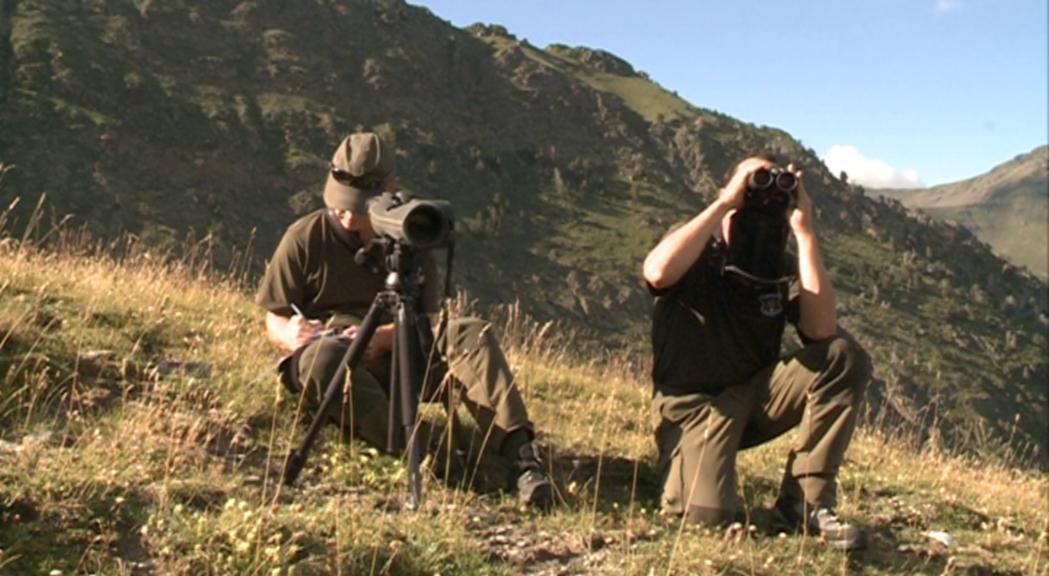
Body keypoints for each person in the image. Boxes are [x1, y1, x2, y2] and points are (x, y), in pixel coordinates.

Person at [257, 132, 554, 507]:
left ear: (389, 190)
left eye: (357, 207)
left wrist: (374, 340)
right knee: (321, 361)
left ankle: (522, 458)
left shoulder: (411, 232)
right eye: (340, 205)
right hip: (336, 360)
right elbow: (275, 314)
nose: (347, 216)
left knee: (470, 334)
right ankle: (430, 453)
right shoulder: (304, 238)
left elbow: (428, 322)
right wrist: (290, 333)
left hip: (401, 349)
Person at [642, 155, 872, 550]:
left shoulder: (778, 267)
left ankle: (805, 502)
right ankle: (680, 469)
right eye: (753, 187)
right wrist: (725, 205)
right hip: (692, 409)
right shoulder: (696, 247)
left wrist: (804, 232)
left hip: (753, 398)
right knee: (706, 517)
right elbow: (658, 272)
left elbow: (821, 330)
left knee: (843, 356)